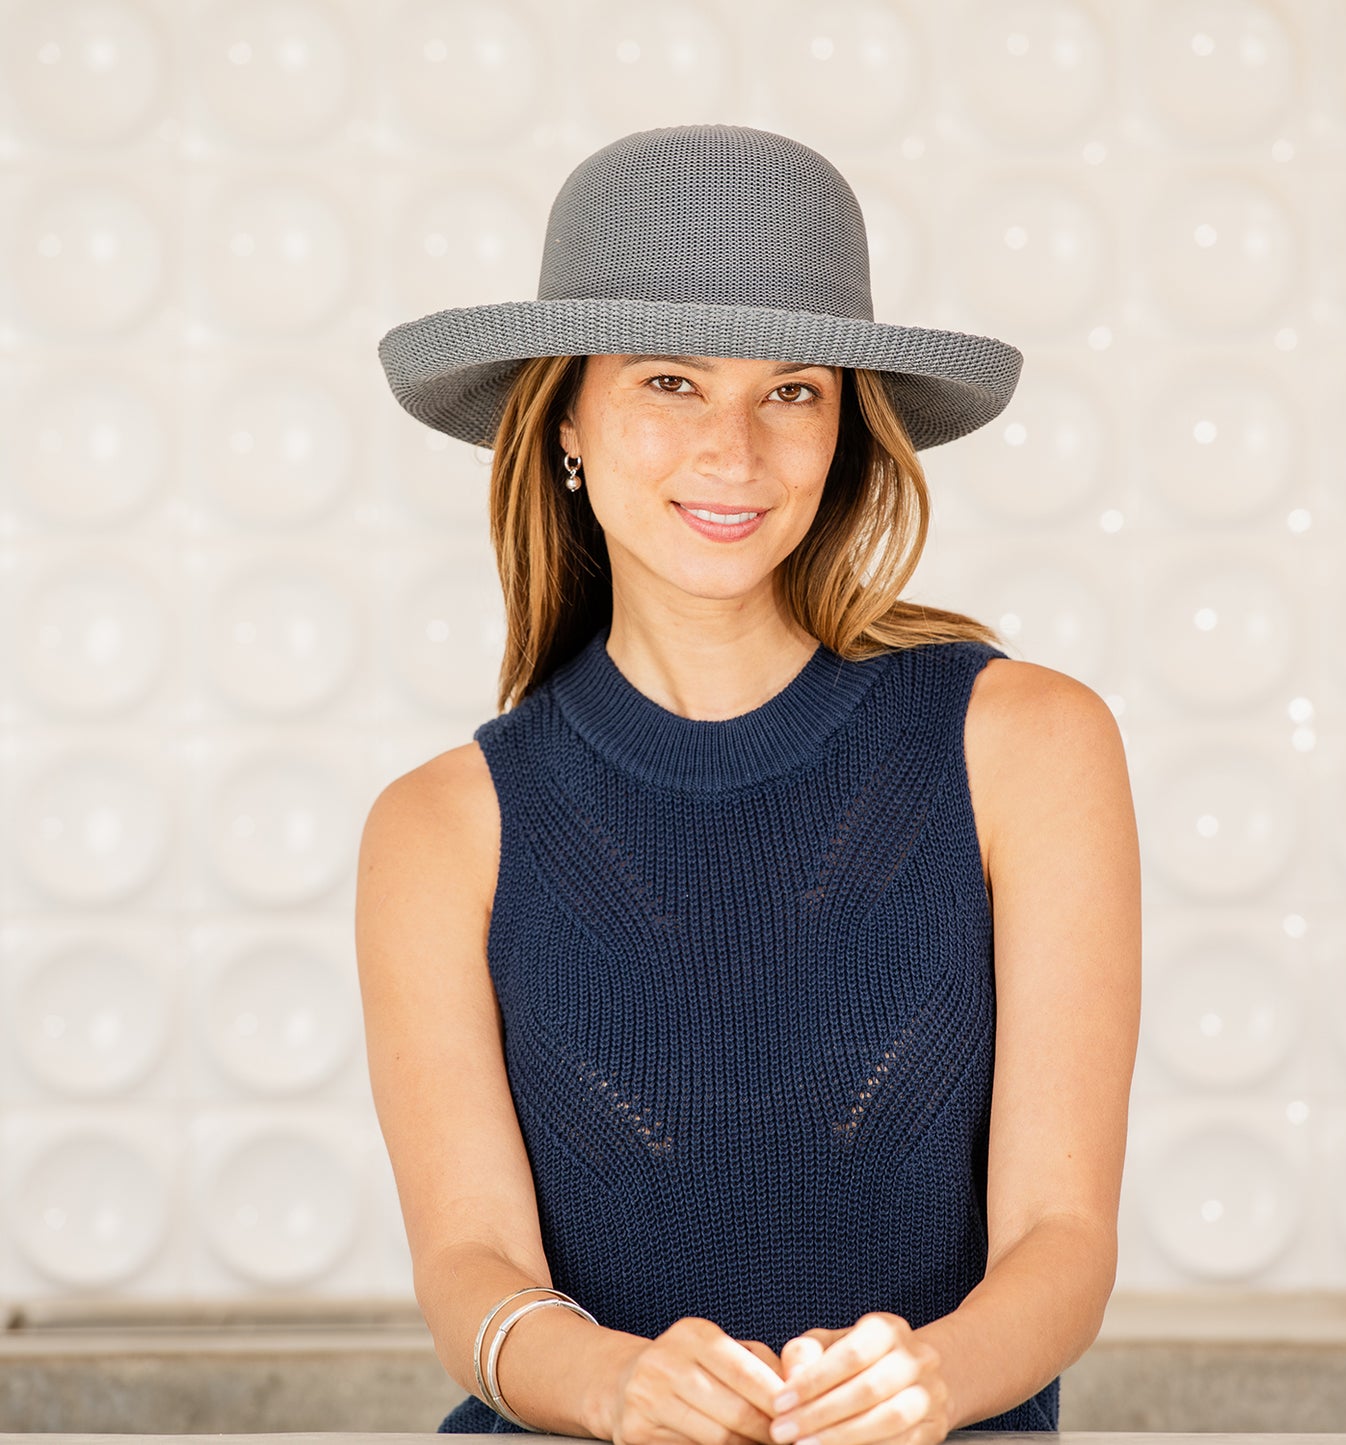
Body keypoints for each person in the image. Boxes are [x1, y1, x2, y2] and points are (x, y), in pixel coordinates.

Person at [358, 123, 1140, 1444]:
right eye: (669, 381)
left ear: (844, 429)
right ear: (560, 421)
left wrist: (929, 1378)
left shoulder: (1030, 746)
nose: (735, 447)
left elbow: (1060, 1239)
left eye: (791, 390)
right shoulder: (440, 829)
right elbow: (469, 1265)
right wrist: (607, 1380)